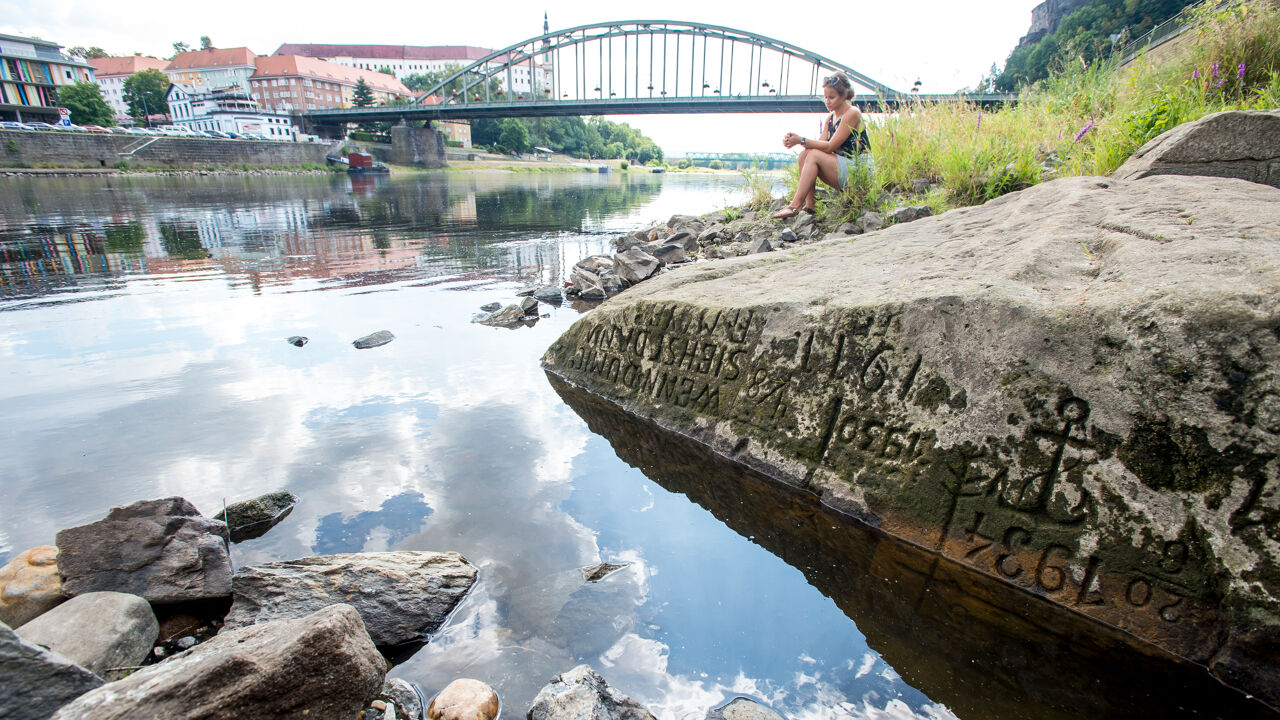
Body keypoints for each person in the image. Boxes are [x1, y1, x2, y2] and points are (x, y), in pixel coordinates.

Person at [772, 73, 870, 219]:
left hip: (860, 171)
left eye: (831, 97)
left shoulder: (852, 113)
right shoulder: (830, 118)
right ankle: (810, 206)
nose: (827, 101)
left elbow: (829, 147)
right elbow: (818, 146)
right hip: (844, 168)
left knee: (812, 155)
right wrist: (794, 140)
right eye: (825, 97)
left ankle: (795, 206)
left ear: (844, 95)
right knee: (805, 155)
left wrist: (800, 140)